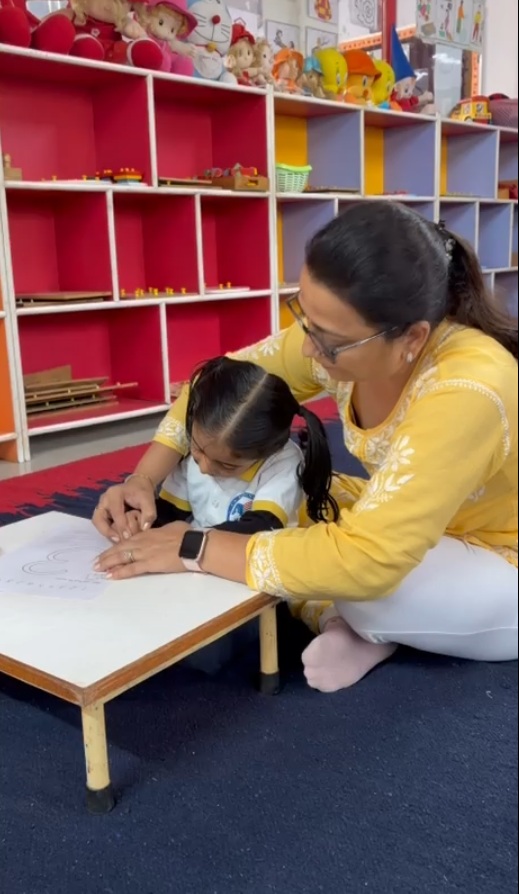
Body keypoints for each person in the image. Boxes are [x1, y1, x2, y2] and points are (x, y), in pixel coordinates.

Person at [95, 202, 518, 693]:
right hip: (423, 528)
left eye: (330, 342)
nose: (310, 348)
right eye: (303, 316)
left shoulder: (467, 389)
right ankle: (370, 631)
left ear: (412, 338)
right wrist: (142, 478)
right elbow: (216, 382)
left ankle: (370, 627)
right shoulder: (341, 337)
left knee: (361, 587)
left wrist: (195, 547)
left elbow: (368, 561)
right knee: (298, 494)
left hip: (500, 556)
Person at [95, 354, 337, 547]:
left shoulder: (282, 463)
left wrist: (186, 539)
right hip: (198, 563)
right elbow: (171, 512)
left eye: (228, 465)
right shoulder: (199, 455)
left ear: (268, 450)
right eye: (197, 450)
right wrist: (139, 520)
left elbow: (262, 526)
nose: (204, 468)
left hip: (254, 572)